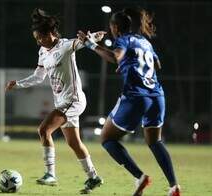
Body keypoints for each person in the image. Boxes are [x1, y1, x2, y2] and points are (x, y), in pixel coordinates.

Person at [77, 7, 180, 196]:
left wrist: (91, 45)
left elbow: (115, 57)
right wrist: (130, 65)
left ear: (115, 27)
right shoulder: (145, 42)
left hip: (136, 97)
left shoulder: (123, 40)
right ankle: (174, 186)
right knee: (155, 142)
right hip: (157, 96)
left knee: (107, 139)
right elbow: (157, 64)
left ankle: (140, 177)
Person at [5, 8, 105, 194]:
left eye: (41, 37)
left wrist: (94, 37)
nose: (39, 41)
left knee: (43, 130)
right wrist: (17, 84)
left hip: (73, 100)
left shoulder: (65, 46)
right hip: (62, 102)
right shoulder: (43, 52)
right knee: (74, 143)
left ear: (51, 33)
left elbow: (81, 43)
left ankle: (50, 174)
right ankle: (93, 177)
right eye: (36, 39)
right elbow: (38, 77)